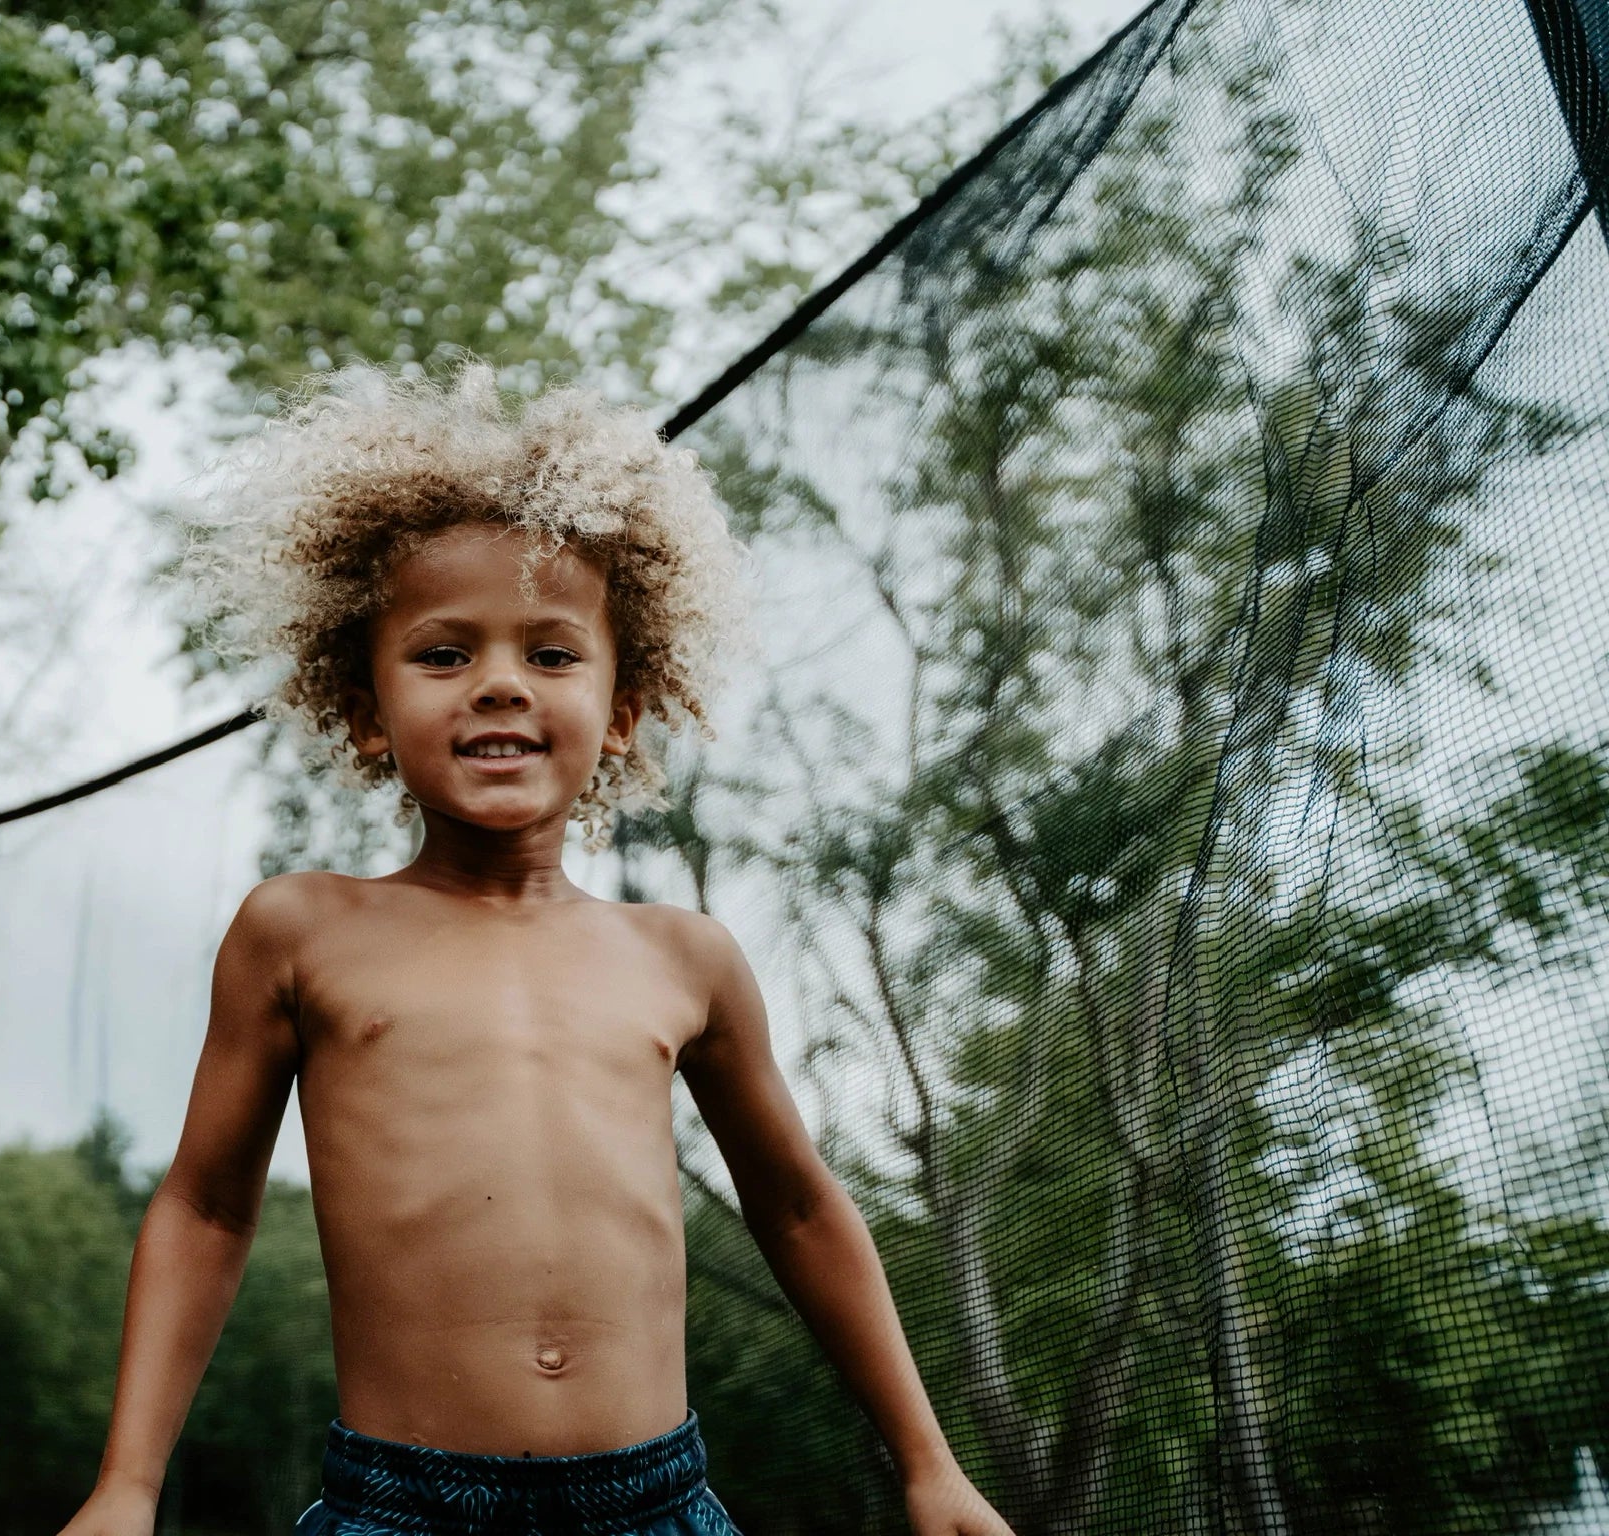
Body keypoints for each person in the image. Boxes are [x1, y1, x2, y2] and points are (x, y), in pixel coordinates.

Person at [56, 364, 1015, 1536]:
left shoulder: (685, 960)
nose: (501, 682)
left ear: (620, 710)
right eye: (444, 654)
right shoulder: (300, 932)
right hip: (401, 1514)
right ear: (365, 706)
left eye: (552, 655)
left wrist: (928, 1461)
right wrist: (126, 1487)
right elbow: (206, 1208)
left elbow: (802, 1209)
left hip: (653, 1506)